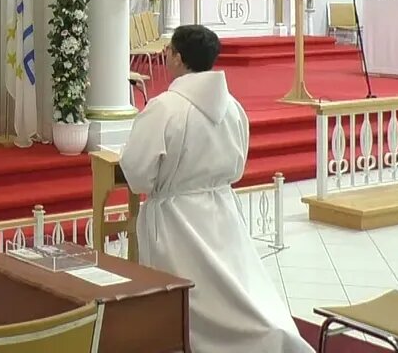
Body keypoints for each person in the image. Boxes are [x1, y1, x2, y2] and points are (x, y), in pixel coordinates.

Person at [120, 25, 313, 353]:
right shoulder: (232, 106)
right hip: (222, 210)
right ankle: (270, 336)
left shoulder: (165, 107)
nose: (166, 55)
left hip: (175, 219)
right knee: (235, 285)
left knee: (193, 295)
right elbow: (237, 167)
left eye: (169, 50)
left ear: (179, 58)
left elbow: (137, 173)